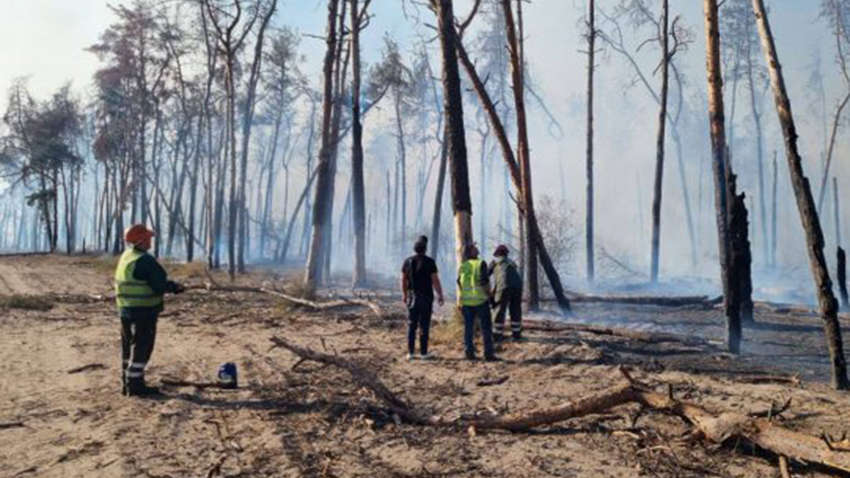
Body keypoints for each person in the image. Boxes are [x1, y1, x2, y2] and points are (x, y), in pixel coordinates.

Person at [115, 224, 184, 396]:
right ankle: (136, 387)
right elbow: (158, 285)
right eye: (148, 238)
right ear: (141, 241)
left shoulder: (127, 256)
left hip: (125, 309)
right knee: (142, 347)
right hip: (143, 312)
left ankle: (128, 383)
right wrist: (175, 287)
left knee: (128, 347)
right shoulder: (145, 260)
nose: (150, 241)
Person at [401, 236, 445, 361]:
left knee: (412, 325)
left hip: (412, 297)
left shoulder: (407, 261)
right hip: (426, 297)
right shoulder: (430, 262)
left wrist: (404, 294)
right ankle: (423, 353)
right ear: (425, 249)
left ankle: (410, 353)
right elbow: (435, 280)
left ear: (414, 249)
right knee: (424, 325)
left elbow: (403, 280)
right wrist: (440, 294)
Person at [457, 243, 497, 361]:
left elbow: (459, 282)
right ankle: (488, 354)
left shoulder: (463, 266)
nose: (476, 248)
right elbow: (484, 282)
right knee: (486, 328)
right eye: (474, 247)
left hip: (467, 302)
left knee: (468, 329)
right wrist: (490, 297)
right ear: (471, 252)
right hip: (481, 301)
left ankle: (469, 353)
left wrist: (461, 299)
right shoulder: (481, 263)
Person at [489, 244, 524, 341]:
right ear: (506, 254)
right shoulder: (512, 262)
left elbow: (486, 275)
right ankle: (516, 334)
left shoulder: (495, 262)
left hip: (503, 287)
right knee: (515, 309)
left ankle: (497, 335)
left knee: (499, 310)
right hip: (518, 286)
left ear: (497, 254)